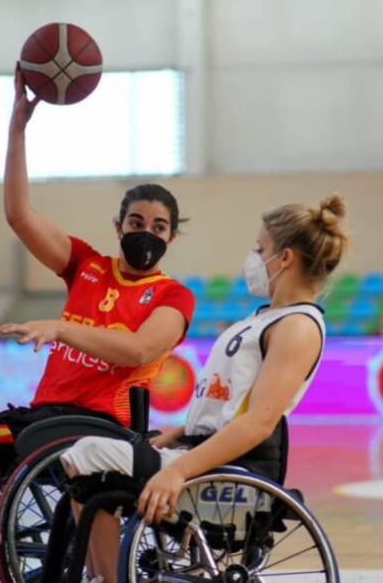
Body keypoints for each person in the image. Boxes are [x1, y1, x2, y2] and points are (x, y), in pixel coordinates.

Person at [0, 66, 196, 583]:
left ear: (172, 238)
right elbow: (19, 215)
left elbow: (136, 351)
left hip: (101, 424)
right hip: (46, 414)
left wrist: (61, 330)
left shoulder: (172, 295)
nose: (145, 233)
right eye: (135, 223)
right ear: (118, 226)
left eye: (158, 227)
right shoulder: (86, 265)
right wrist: (17, 127)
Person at [59, 195, 348, 583]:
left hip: (231, 473)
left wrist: (178, 471)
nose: (252, 257)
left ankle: (107, 578)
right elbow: (229, 407)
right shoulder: (264, 318)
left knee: (88, 455)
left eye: (259, 248)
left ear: (285, 259)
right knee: (88, 460)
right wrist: (174, 437)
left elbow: (259, 423)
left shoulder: (298, 326)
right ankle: (104, 575)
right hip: (204, 456)